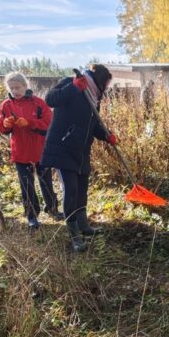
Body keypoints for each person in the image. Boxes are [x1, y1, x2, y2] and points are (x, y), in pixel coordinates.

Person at [40, 64, 117, 252]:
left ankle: (84, 226)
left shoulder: (94, 97)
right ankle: (74, 235)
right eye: (106, 84)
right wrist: (73, 87)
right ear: (99, 80)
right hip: (63, 146)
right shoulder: (71, 83)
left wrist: (106, 135)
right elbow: (50, 99)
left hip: (81, 150)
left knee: (82, 188)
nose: (106, 89)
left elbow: (93, 124)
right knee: (71, 190)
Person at [0, 71, 63, 230]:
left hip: (40, 151)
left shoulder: (38, 103)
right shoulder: (6, 105)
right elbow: (0, 127)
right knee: (26, 185)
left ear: (25, 86)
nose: (15, 91)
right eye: (12, 88)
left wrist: (30, 123)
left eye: (18, 87)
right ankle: (32, 216)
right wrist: (5, 124)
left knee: (46, 182)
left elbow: (49, 123)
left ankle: (52, 209)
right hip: (20, 152)